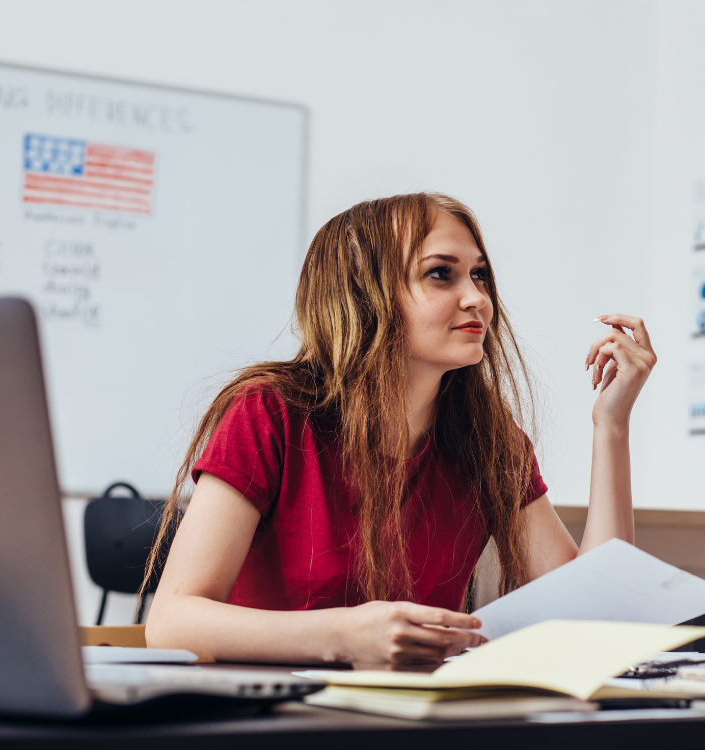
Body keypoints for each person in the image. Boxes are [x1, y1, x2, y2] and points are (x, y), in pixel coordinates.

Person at [142, 192, 658, 667]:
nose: (477, 298)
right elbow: (171, 622)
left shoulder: (488, 438)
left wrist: (611, 425)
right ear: (363, 295)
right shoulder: (269, 412)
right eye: (441, 274)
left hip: (416, 720)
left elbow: (597, 612)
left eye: (479, 275)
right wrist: (344, 635)